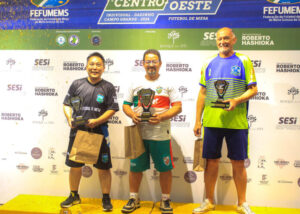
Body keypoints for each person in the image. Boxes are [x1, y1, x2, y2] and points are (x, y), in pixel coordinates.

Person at [193, 27, 257, 214]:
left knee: (238, 163)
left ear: (234, 40)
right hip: (212, 122)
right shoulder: (208, 62)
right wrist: (198, 120)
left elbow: (253, 89)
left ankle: (242, 203)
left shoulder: (244, 60)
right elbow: (203, 93)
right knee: (211, 162)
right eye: (220, 39)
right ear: (216, 41)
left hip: (236, 123)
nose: (223, 41)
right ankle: (209, 201)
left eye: (226, 38)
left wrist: (236, 100)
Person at [121, 49, 182, 214]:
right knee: (135, 168)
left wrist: (161, 117)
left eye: (154, 61)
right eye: (148, 61)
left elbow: (177, 107)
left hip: (160, 134)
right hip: (138, 134)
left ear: (160, 64)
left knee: (164, 168)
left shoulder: (168, 83)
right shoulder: (135, 83)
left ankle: (165, 199)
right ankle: (134, 198)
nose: (151, 65)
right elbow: (126, 104)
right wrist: (132, 114)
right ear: (143, 64)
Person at [60, 52, 119, 212]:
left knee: (104, 168)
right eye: (91, 64)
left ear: (103, 67)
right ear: (86, 66)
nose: (94, 67)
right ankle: (74, 195)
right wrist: (69, 118)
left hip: (99, 131)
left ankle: (106, 199)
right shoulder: (76, 84)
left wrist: (98, 121)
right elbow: (66, 104)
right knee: (75, 166)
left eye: (98, 64)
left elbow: (113, 108)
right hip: (78, 131)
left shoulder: (108, 87)